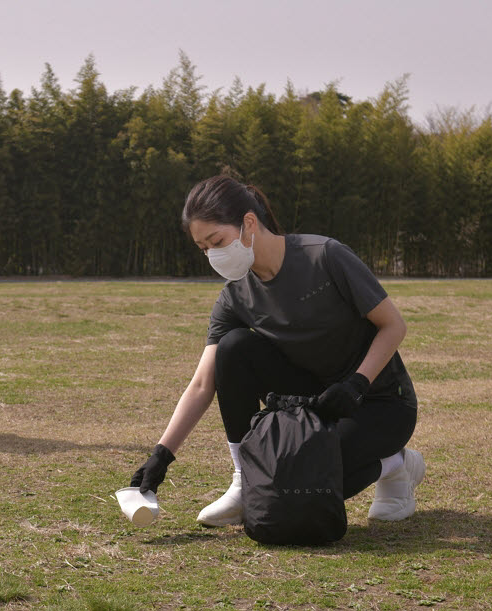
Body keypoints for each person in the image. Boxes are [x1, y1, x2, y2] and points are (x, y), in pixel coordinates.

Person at [131, 175, 422, 525]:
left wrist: (357, 384)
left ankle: (397, 465)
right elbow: (202, 384)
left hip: (378, 402)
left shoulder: (325, 256)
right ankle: (244, 480)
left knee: (306, 482)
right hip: (315, 402)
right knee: (233, 348)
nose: (212, 254)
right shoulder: (235, 295)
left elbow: (394, 325)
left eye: (217, 241)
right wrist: (161, 457)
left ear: (248, 223)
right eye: (204, 248)